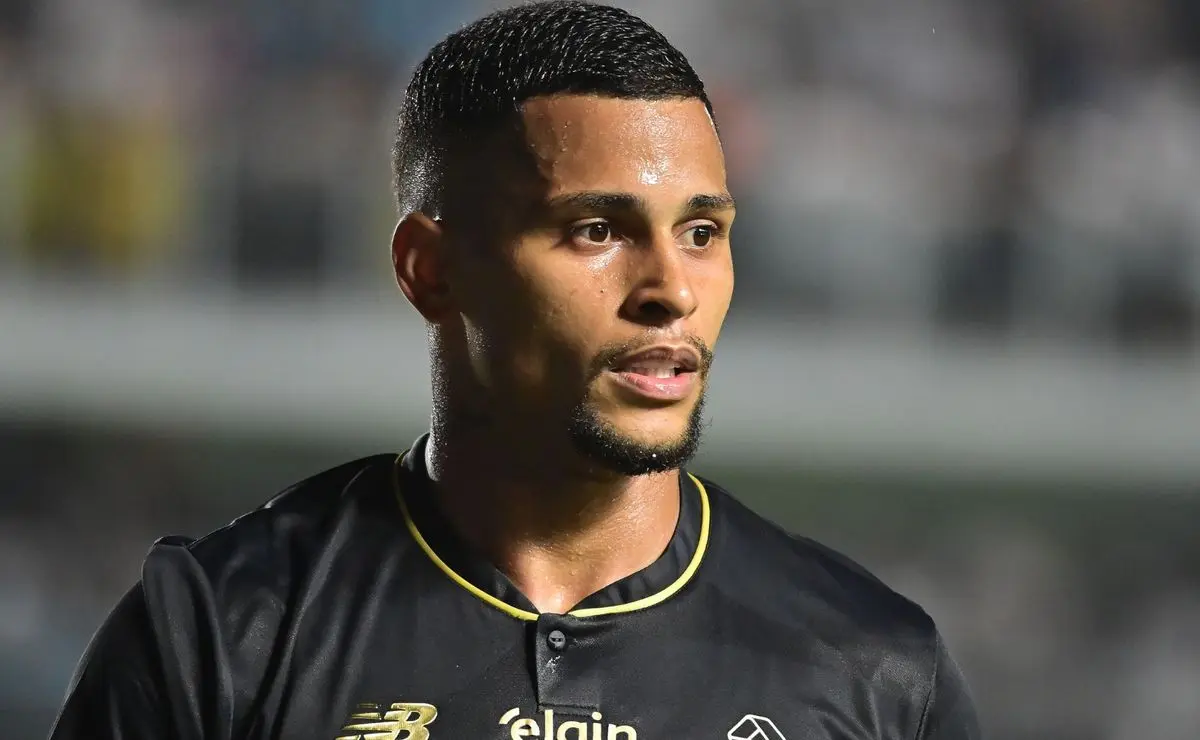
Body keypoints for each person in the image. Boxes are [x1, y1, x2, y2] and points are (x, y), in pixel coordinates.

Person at [50, 2, 980, 738]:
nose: (671, 291)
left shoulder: (881, 671)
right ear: (430, 270)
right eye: (597, 230)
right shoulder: (217, 636)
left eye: (702, 233)